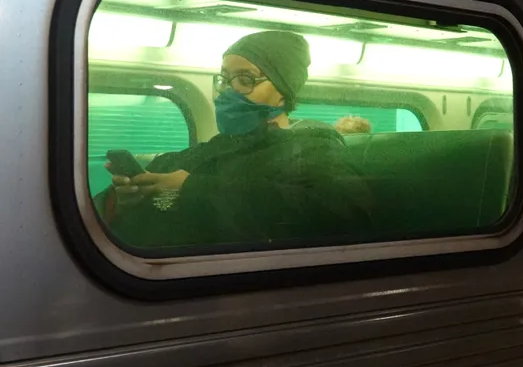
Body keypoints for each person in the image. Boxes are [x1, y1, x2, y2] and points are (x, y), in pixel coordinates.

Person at [98, 31, 373, 251]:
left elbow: (340, 215)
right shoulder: (202, 153)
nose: (227, 92)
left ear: (282, 91)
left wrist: (191, 187)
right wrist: (130, 203)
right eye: (224, 80)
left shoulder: (313, 149)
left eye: (245, 79)